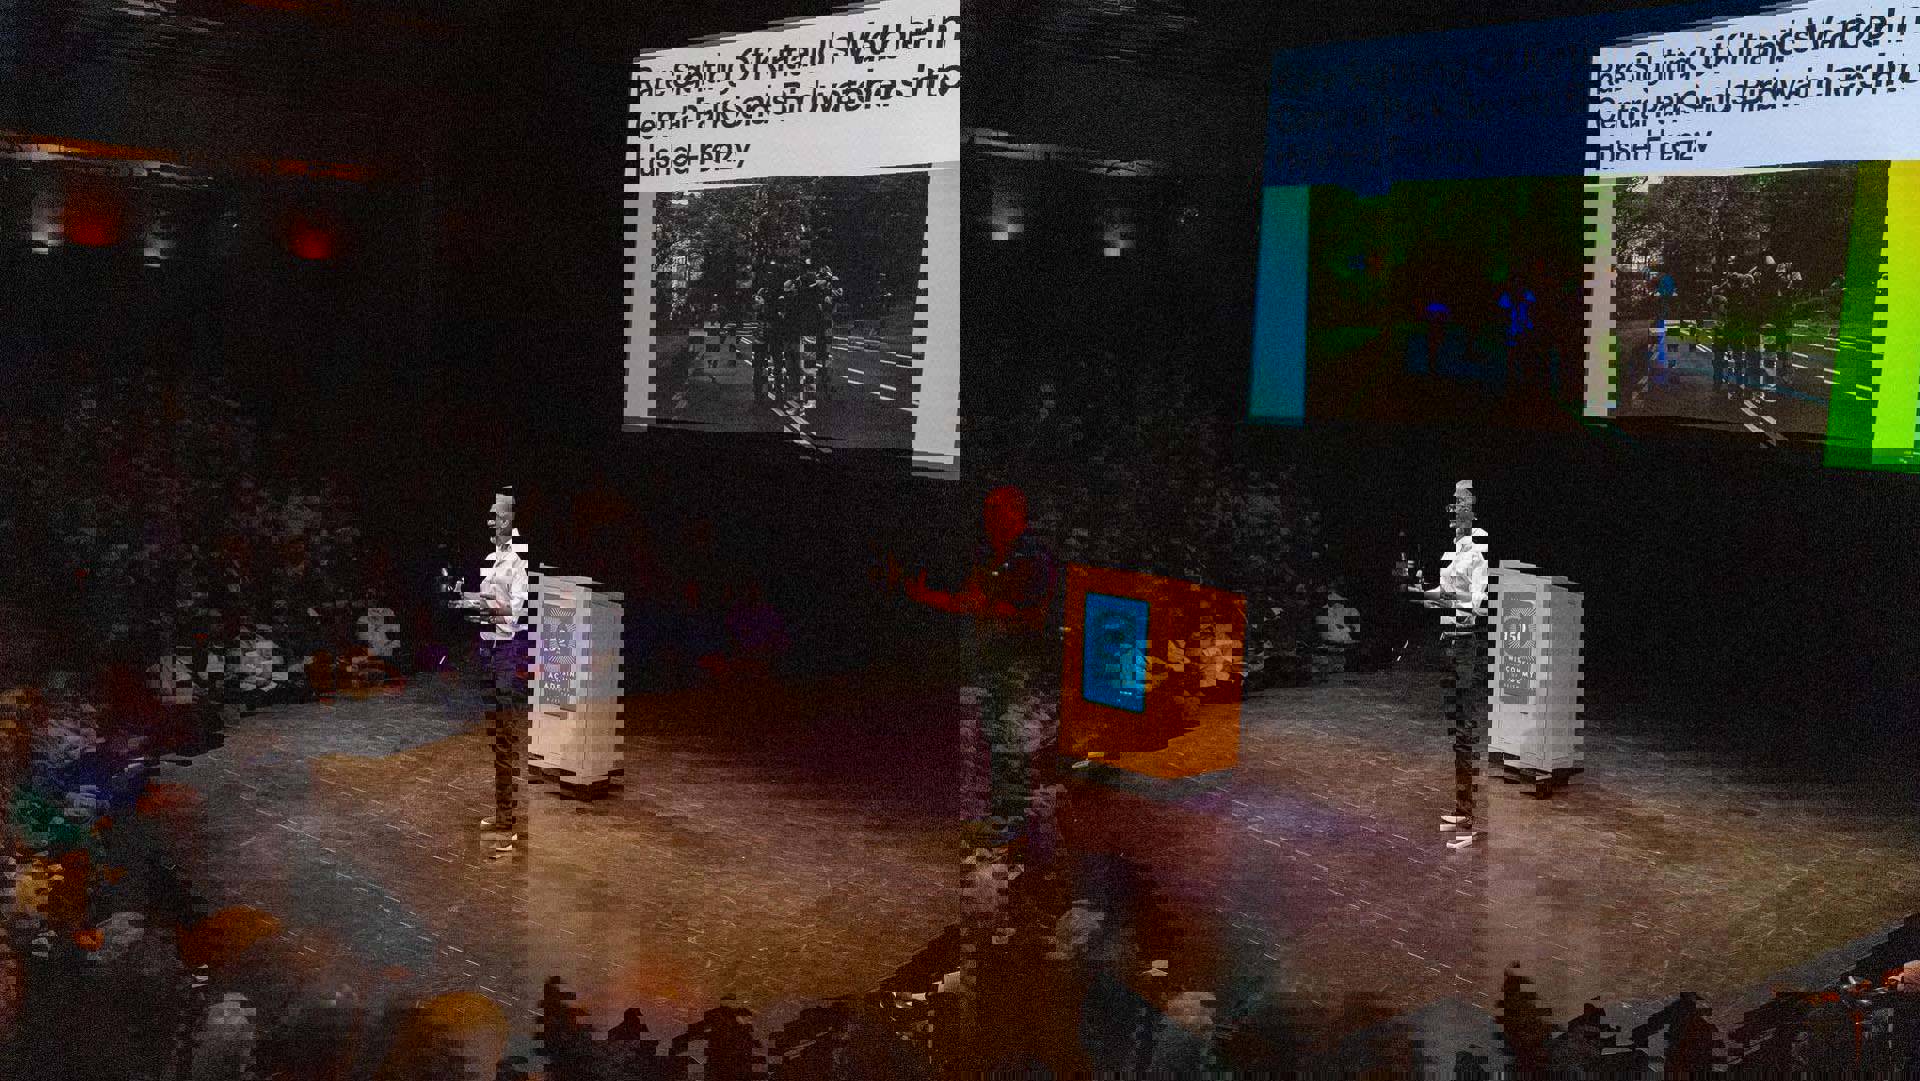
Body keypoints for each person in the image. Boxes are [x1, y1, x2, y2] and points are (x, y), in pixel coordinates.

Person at [447, 491, 530, 858]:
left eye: (500, 516)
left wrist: (481, 607)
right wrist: (464, 599)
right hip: (490, 652)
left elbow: (511, 614)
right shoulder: (493, 561)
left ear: (511, 521)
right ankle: (501, 815)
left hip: (507, 654)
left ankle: (509, 824)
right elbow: (488, 605)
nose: (494, 522)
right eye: (492, 516)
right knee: (497, 738)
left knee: (507, 738)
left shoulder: (516, 565)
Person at [1409, 481, 1491, 850]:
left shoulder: (1477, 557)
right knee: (1458, 733)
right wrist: (1421, 594)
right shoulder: (1456, 555)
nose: (1455, 510)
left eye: (1462, 504)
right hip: (1451, 645)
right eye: (1454, 504)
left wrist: (1446, 599)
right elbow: (1443, 598)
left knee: (1467, 732)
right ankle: (1462, 810)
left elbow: (1475, 605)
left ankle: (1473, 823)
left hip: (1467, 646)